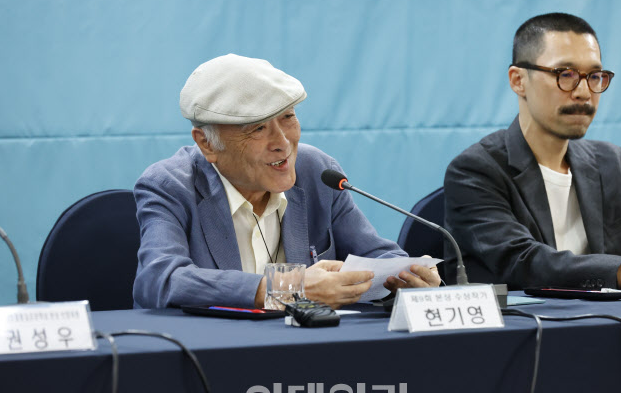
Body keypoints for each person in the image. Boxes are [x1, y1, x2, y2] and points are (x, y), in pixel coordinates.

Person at [134, 54, 439, 309]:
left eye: (288, 117)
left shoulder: (317, 172)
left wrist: (410, 277)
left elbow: (377, 256)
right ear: (207, 143)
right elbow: (159, 280)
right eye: (257, 129)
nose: (283, 143)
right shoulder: (170, 185)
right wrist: (286, 287)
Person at [443, 13, 621, 290]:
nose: (584, 92)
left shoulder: (610, 162)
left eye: (594, 76)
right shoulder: (475, 169)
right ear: (518, 80)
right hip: (523, 318)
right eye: (565, 74)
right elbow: (525, 263)